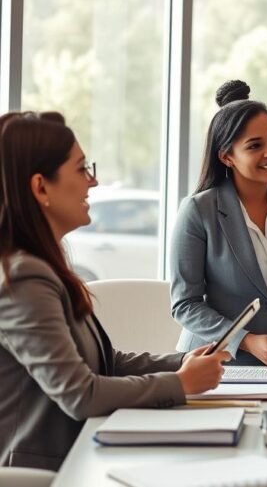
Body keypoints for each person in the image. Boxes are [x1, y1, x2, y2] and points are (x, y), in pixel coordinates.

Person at [0, 111, 228, 470]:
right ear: (41, 187)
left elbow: (105, 362)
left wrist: (182, 363)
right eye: (80, 169)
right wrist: (180, 384)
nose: (93, 181)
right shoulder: (23, 279)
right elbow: (82, 395)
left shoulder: (43, 267)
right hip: (47, 472)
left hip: (86, 453)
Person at [171, 80, 267, 367]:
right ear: (226, 156)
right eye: (255, 145)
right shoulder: (198, 211)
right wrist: (244, 339)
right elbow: (185, 304)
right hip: (213, 365)